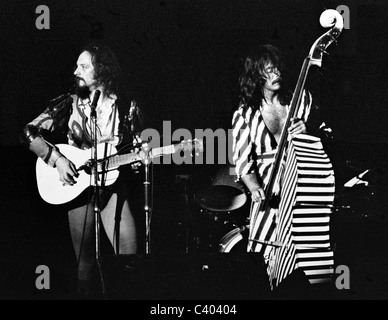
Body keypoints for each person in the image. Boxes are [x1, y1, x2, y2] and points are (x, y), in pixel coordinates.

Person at [21, 42, 144, 298]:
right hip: (79, 186)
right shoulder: (69, 102)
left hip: (113, 186)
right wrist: (56, 159)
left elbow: (137, 146)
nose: (76, 71)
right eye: (77, 65)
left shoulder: (126, 107)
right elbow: (28, 132)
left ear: (102, 71)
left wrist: (137, 160)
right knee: (85, 264)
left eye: (84, 66)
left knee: (131, 258)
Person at [231, 44, 333, 289]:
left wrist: (310, 131)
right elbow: (244, 164)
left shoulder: (302, 100)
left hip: (302, 186)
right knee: (265, 258)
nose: (276, 74)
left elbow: (327, 136)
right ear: (256, 76)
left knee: (308, 259)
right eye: (268, 70)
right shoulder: (245, 114)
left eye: (277, 69)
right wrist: (255, 188)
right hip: (268, 196)